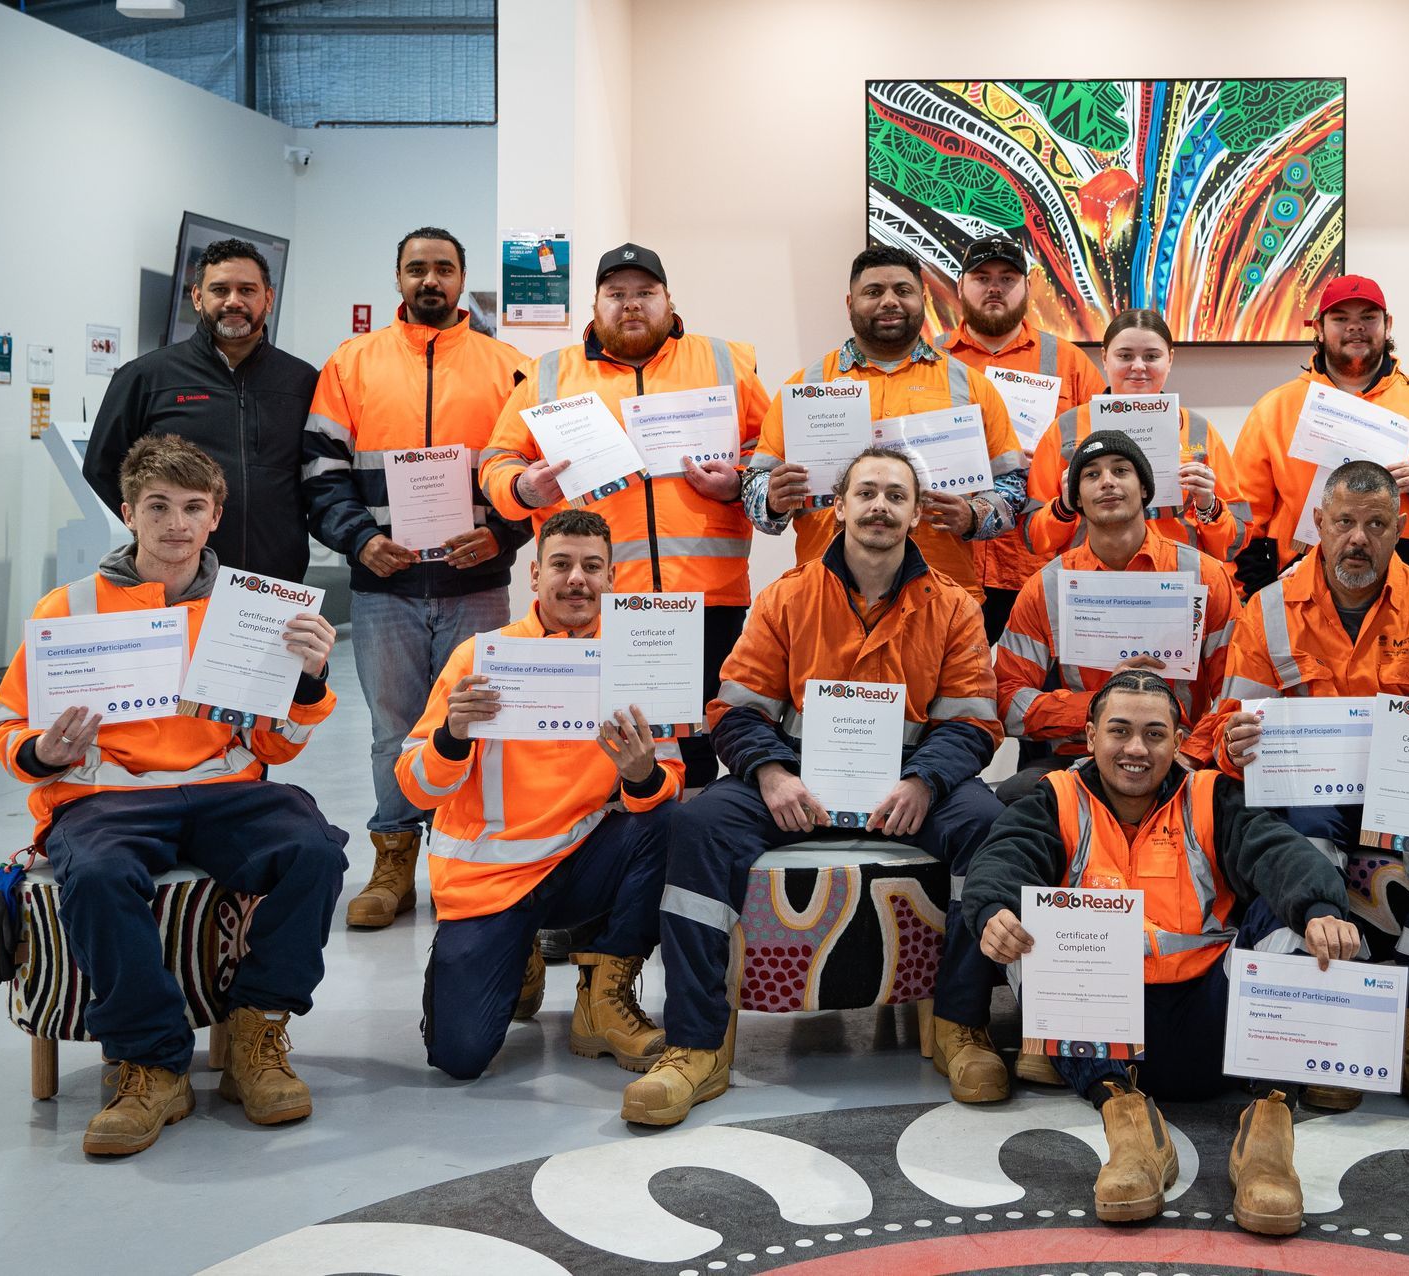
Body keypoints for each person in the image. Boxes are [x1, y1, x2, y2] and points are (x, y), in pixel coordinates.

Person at [622, 446, 1008, 1125]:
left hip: (911, 787)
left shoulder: (954, 607)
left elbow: (974, 721)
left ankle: (961, 1027)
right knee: (698, 825)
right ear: (839, 508)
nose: (880, 506)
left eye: (896, 495)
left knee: (987, 825)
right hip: (794, 780)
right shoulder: (788, 596)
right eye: (866, 493)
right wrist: (772, 775)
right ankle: (695, 1047)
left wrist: (923, 780)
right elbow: (735, 709)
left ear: (918, 514)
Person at [0, 434, 347, 1157]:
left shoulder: (254, 610)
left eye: (192, 507)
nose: (175, 523)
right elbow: (7, 724)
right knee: (96, 875)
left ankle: (256, 1030)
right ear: (128, 514)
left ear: (215, 516)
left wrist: (308, 684)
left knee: (314, 851)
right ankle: (151, 1062)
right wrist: (41, 752)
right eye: (157, 507)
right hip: (106, 801)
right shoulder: (70, 606)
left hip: (226, 791)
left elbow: (276, 746)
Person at [962, 670, 1361, 1231]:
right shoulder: (1055, 797)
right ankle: (1130, 1133)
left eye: (1154, 734)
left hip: (1214, 1027)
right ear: (1091, 735)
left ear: (1178, 741)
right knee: (1023, 925)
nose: (1136, 749)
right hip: (1109, 1044)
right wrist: (993, 911)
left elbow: (1277, 852)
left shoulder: (1211, 795)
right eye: (1119, 731)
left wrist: (1321, 909)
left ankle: (1269, 1132)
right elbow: (1006, 856)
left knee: (1294, 918)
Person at [1214, 460, 1409, 1127]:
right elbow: (1229, 727)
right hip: (1309, 793)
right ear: (1318, 524)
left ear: (1400, 528)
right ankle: (1330, 1029)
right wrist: (1231, 746)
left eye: (1377, 524)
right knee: (1304, 841)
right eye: (1345, 522)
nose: (1359, 539)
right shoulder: (1266, 610)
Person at [397, 509, 681, 1080]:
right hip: (489, 883)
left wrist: (642, 775)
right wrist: (452, 736)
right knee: (458, 1058)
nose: (577, 579)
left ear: (612, 578)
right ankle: (516, 951)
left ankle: (603, 999)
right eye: (561, 564)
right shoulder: (480, 657)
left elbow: (668, 780)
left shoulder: (638, 660)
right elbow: (415, 785)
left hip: (579, 864)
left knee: (673, 825)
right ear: (534, 574)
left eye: (592, 567)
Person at [303, 226, 532, 931]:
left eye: (443, 268)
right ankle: (394, 862)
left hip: (478, 587)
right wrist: (361, 540)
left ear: (462, 278)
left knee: (483, 723)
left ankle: (477, 860)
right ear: (397, 277)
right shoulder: (351, 363)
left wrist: (500, 536)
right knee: (393, 731)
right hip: (384, 590)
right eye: (416, 269)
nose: (430, 280)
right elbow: (320, 471)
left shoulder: (510, 367)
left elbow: (533, 477)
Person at [480, 243, 771, 790]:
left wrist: (739, 482)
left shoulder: (725, 362)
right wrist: (523, 487)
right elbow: (498, 460)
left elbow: (768, 450)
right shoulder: (546, 373)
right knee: (600, 747)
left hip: (708, 600)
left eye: (644, 293)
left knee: (702, 742)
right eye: (616, 294)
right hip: (595, 602)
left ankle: (689, 840)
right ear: (595, 305)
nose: (631, 304)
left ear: (668, 300)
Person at [741, 244, 1027, 603]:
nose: (889, 301)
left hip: (941, 597)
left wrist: (973, 516)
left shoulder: (968, 384)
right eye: (873, 292)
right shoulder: (806, 385)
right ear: (850, 304)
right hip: (827, 596)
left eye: (902, 291)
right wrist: (771, 499)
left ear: (923, 299)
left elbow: (1013, 486)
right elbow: (754, 487)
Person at [995, 430, 1237, 803]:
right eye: (1091, 474)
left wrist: (1191, 754)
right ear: (1076, 498)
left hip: (1183, 755)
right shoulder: (1047, 586)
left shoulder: (1204, 576)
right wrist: (1097, 706)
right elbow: (1007, 698)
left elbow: (1235, 690)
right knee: (1016, 797)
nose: (1107, 481)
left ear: (1145, 489)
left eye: (1121, 470)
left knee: (1242, 805)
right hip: (1081, 757)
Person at [85, 238, 319, 584]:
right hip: (179, 580)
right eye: (219, 290)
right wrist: (158, 531)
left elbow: (320, 475)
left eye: (247, 290)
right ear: (197, 298)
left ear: (268, 299)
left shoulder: (302, 381)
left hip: (274, 579)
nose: (233, 301)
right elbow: (102, 466)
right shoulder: (147, 376)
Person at [1232, 275, 1409, 591]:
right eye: (1341, 318)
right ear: (1319, 328)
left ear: (1388, 324)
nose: (1355, 327)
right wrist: (1257, 590)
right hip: (1302, 584)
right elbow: (1244, 516)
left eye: (1368, 318)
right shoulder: (1274, 409)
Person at [931, 235, 1104, 642]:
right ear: (960, 286)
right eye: (982, 278)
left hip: (1038, 563)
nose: (995, 288)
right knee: (944, 678)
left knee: (1032, 679)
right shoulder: (928, 357)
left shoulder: (1070, 363)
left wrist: (1051, 459)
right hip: (946, 562)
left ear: (1028, 287)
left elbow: (1105, 453)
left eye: (1007, 278)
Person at [1022, 309, 1248, 574]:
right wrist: (1064, 506)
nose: (1138, 366)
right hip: (1089, 580)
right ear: (1105, 358)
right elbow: (1034, 539)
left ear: (1170, 359)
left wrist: (1208, 505)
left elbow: (1232, 545)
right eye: (1125, 356)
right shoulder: (1067, 428)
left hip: (1174, 578)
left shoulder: (1198, 431)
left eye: (1151, 356)